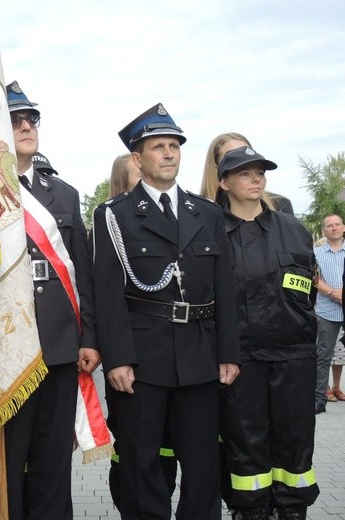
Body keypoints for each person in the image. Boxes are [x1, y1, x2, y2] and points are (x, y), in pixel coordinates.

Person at [91, 103, 241, 519]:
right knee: (141, 465)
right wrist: (118, 359)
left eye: (174, 145)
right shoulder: (114, 217)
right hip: (143, 358)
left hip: (199, 355)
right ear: (138, 159)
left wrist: (229, 352)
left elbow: (223, 288)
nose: (169, 153)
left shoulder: (207, 213)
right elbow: (107, 294)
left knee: (203, 463)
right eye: (159, 147)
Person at [0, 80, 98, 518]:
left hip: (57, 343)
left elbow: (81, 275)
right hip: (5, 346)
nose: (26, 125)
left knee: (53, 459)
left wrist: (88, 338)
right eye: (14, 120)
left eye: (31, 119)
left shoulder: (64, 194)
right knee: (9, 461)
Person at [215, 146, 319, 520]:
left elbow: (306, 288)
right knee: (246, 446)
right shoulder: (212, 232)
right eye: (245, 173)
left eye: (260, 172)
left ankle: (292, 509)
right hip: (241, 361)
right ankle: (251, 511)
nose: (256, 178)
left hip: (294, 357)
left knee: (295, 444)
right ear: (224, 182)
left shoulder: (293, 229)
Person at [101, 152, 178, 510]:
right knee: (133, 448)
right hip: (134, 356)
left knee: (164, 446)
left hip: (171, 357)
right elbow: (107, 297)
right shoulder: (112, 222)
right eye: (138, 174)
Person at [200, 132, 294, 215]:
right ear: (216, 168)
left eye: (246, 152)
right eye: (232, 155)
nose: (242, 157)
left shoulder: (280, 205)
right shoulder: (200, 210)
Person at [313, 214, 345, 413]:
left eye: (337, 224)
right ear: (324, 230)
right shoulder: (316, 253)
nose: (333, 228)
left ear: (343, 228)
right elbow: (312, 277)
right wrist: (333, 292)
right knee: (323, 356)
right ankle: (318, 399)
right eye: (329, 226)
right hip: (327, 311)